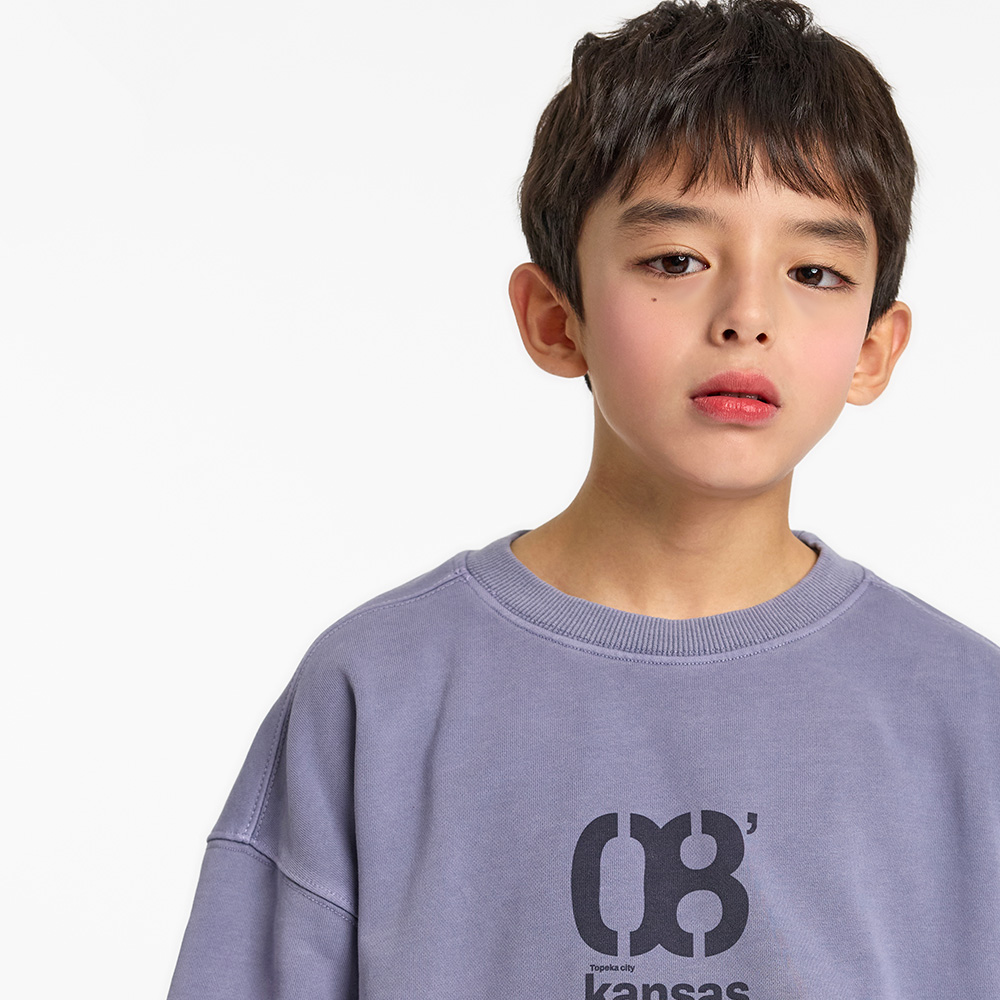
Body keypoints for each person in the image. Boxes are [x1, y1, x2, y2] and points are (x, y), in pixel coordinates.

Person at [167, 1, 1000, 996]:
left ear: (873, 349)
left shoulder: (968, 715)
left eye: (814, 271)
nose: (747, 316)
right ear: (555, 320)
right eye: (675, 261)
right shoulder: (379, 691)